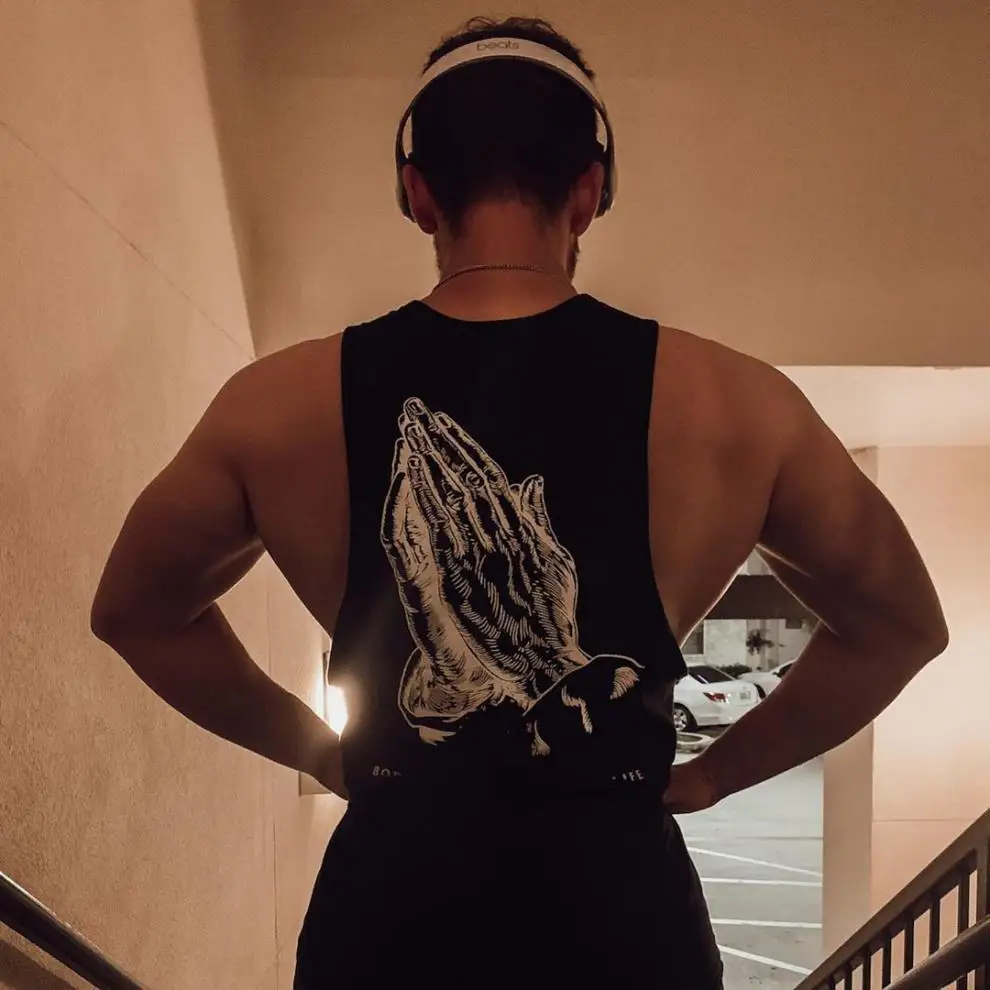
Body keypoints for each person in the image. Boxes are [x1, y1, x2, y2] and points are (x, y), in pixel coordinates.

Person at [91, 16, 948, 989]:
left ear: (418, 193)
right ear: (588, 191)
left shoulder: (275, 405)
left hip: (389, 918)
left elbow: (136, 611)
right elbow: (899, 627)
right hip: (622, 921)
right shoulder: (738, 404)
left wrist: (319, 752)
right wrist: (713, 773)